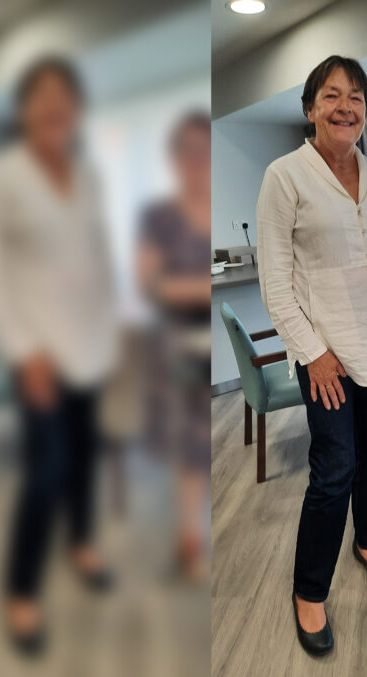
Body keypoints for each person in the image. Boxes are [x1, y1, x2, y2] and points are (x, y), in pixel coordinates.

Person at [256, 55, 367, 657]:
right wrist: (313, 354)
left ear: (366, 111)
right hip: (326, 355)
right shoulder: (285, 176)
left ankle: (366, 540)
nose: (345, 107)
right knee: (334, 469)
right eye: (332, 95)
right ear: (311, 107)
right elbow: (276, 279)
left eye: (356, 98)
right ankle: (310, 589)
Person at [0, 56, 120, 656]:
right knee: (46, 471)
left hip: (89, 346)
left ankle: (81, 543)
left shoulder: (86, 177)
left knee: (85, 457)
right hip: (36, 355)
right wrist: (22, 351)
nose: (56, 107)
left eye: (66, 96)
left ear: (76, 110)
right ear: (25, 108)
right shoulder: (1, 179)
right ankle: (21, 590)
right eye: (43, 96)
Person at [137, 111, 213, 583]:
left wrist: (184, 285)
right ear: (173, 157)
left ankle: (199, 534)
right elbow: (149, 284)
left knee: (204, 448)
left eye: (203, 149)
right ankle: (189, 540)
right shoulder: (158, 215)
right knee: (190, 452)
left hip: (205, 346)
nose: (196, 159)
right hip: (176, 350)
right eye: (186, 149)